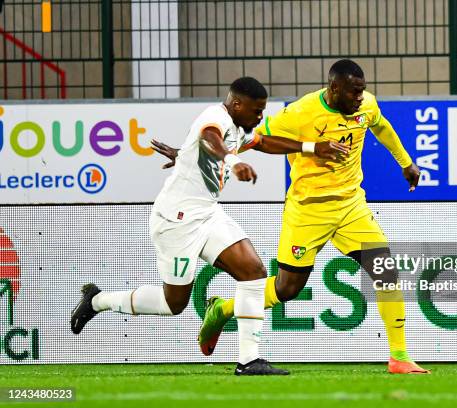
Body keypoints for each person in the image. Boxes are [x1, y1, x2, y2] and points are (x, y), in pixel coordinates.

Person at [155, 60, 429, 374]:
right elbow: (256, 138)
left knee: (385, 270)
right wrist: (189, 154)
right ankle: (223, 309)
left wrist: (406, 163)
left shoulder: (366, 105)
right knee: (287, 289)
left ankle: (399, 356)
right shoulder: (302, 112)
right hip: (308, 210)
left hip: (352, 206)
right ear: (334, 88)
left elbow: (380, 126)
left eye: (362, 92)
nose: (359, 98)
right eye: (353, 92)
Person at [70, 76, 348, 376]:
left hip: (207, 214)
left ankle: (249, 360)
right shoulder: (215, 118)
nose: (260, 116)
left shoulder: (240, 128)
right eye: (256, 110)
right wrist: (232, 161)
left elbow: (264, 141)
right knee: (172, 303)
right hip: (176, 220)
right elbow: (208, 138)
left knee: (253, 271)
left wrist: (311, 148)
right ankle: (97, 300)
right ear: (237, 104)